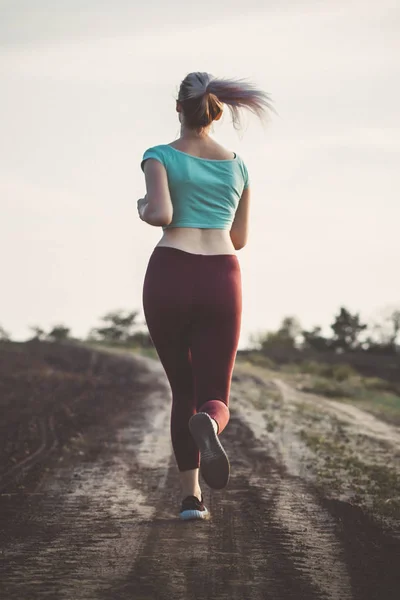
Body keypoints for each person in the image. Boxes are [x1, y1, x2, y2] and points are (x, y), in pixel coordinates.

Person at [138, 71, 273, 521]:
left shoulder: (158, 156)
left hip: (170, 271)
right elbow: (239, 238)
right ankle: (211, 425)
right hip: (221, 276)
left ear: (179, 108)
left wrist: (141, 207)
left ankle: (191, 501)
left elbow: (161, 213)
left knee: (183, 389)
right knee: (215, 394)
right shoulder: (238, 166)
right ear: (215, 112)